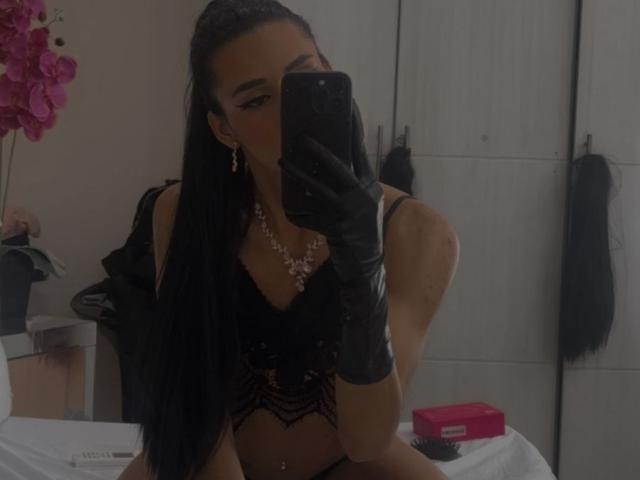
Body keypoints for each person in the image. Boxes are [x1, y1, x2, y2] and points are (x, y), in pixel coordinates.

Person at [118, 1, 458, 479]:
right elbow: (198, 410)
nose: (287, 115)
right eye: (256, 100)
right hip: (211, 461)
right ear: (223, 127)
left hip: (353, 464)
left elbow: (367, 440)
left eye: (304, 80)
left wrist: (362, 264)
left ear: (330, 73)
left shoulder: (418, 233)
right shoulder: (183, 213)